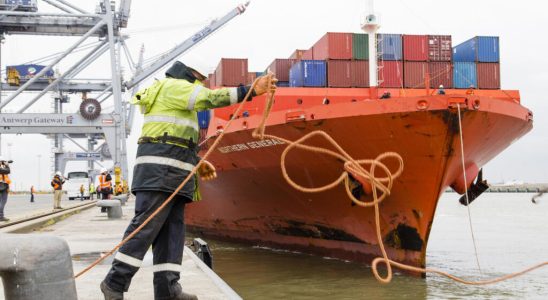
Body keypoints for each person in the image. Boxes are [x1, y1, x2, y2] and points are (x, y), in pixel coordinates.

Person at [100, 61, 277, 300]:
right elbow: (210, 99)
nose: (201, 83)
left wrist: (195, 161)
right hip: (160, 172)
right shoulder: (174, 86)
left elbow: (173, 136)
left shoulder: (171, 96)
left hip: (172, 173)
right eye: (199, 78)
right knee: (146, 228)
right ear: (190, 74)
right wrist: (251, 90)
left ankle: (168, 290)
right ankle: (114, 283)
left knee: (171, 233)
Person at [0, 156, 12, 222]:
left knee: (1, 202)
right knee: (2, 202)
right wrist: (7, 165)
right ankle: (1, 217)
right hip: (2, 187)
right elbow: (8, 171)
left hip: (2, 186)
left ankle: (1, 216)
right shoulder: (1, 169)